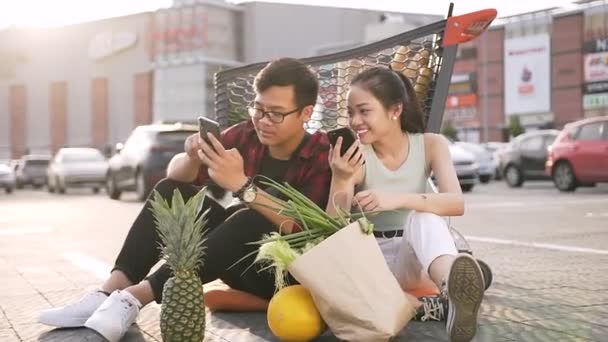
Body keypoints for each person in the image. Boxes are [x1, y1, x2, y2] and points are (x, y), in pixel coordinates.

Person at [38, 58, 332, 342]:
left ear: (306, 113)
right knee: (172, 192)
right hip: (235, 259)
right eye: (258, 108)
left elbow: (303, 227)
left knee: (249, 216)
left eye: (276, 113)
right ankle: (110, 292)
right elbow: (175, 176)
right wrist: (191, 157)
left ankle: (133, 299)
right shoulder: (247, 135)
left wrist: (244, 187)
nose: (263, 120)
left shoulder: (322, 154)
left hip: (290, 276)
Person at [326, 66, 485, 342]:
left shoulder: (431, 145)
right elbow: (331, 228)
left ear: (395, 110)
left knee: (425, 216)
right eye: (351, 112)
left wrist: (394, 199)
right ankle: (435, 307)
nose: (355, 121)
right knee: (365, 308)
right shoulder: (356, 157)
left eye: (364, 111)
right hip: (371, 265)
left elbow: (456, 203)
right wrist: (340, 179)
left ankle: (452, 288)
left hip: (414, 257)